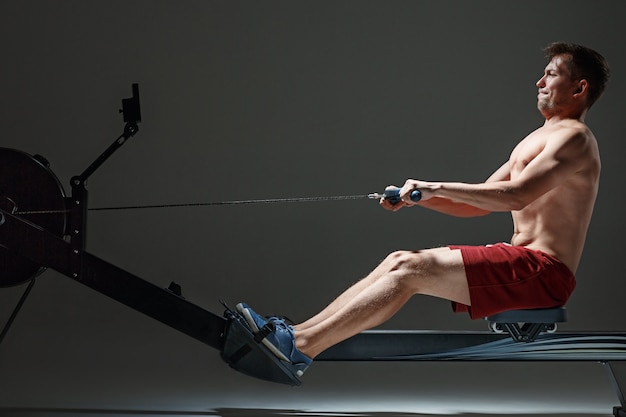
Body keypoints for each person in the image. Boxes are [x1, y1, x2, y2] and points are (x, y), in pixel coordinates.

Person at [237, 42, 611, 377]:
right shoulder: (540, 138)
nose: (539, 82)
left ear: (580, 88)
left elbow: (515, 196)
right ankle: (295, 334)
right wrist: (420, 199)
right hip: (522, 262)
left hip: (543, 273)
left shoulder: (575, 138)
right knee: (399, 260)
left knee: (409, 269)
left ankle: (300, 349)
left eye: (551, 75)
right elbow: (479, 204)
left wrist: (434, 187)